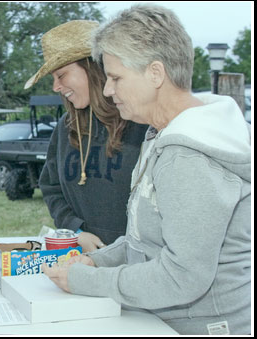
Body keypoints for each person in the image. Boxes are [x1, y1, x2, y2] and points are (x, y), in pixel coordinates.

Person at [42, 4, 251, 335]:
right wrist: (99, 260)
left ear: (155, 73)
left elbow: (181, 276)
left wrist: (89, 279)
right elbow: (145, 244)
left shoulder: (189, 157)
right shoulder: (161, 134)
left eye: (115, 77)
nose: (108, 90)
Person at [24, 20, 147, 252]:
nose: (56, 87)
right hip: (83, 260)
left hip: (138, 264)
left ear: (93, 69)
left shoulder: (142, 123)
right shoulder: (65, 127)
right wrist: (75, 231)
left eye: (61, 75)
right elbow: (50, 187)